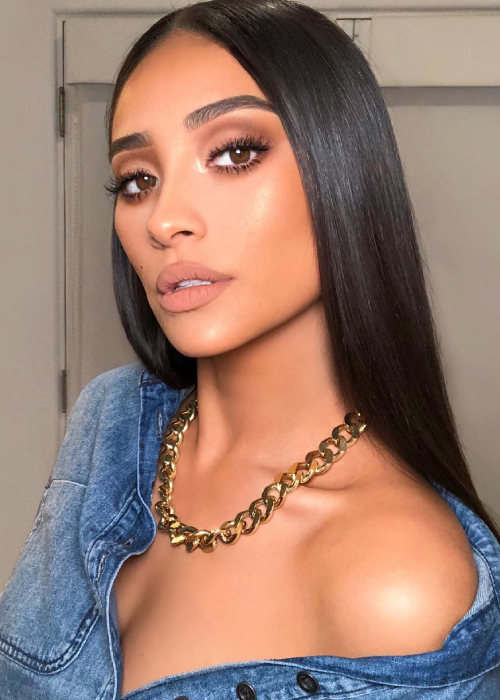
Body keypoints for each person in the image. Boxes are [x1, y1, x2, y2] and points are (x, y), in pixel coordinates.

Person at [1, 1, 499, 698]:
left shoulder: (398, 583)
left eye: (235, 153)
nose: (165, 219)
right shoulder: (110, 423)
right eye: (138, 179)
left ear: (344, 172)